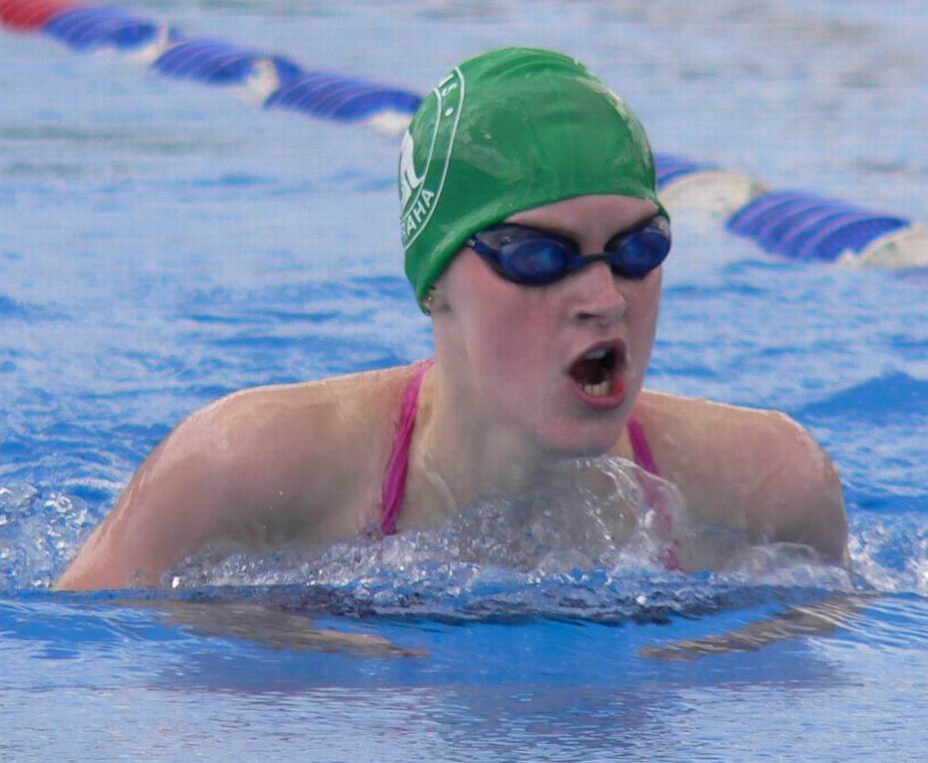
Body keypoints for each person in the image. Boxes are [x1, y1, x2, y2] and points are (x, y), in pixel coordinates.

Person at [56, 47, 847, 592]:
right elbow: (80, 671)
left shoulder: (765, 489)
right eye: (538, 256)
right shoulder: (242, 469)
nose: (605, 296)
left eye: (637, 248)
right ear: (436, 284)